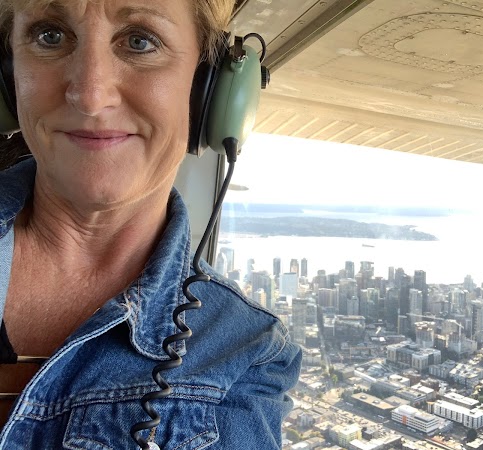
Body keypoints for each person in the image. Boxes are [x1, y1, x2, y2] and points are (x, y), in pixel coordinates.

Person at [0, 0, 302, 449]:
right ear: (8, 76)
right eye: (50, 36)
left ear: (208, 86)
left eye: (140, 42)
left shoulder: (244, 350)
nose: (90, 95)